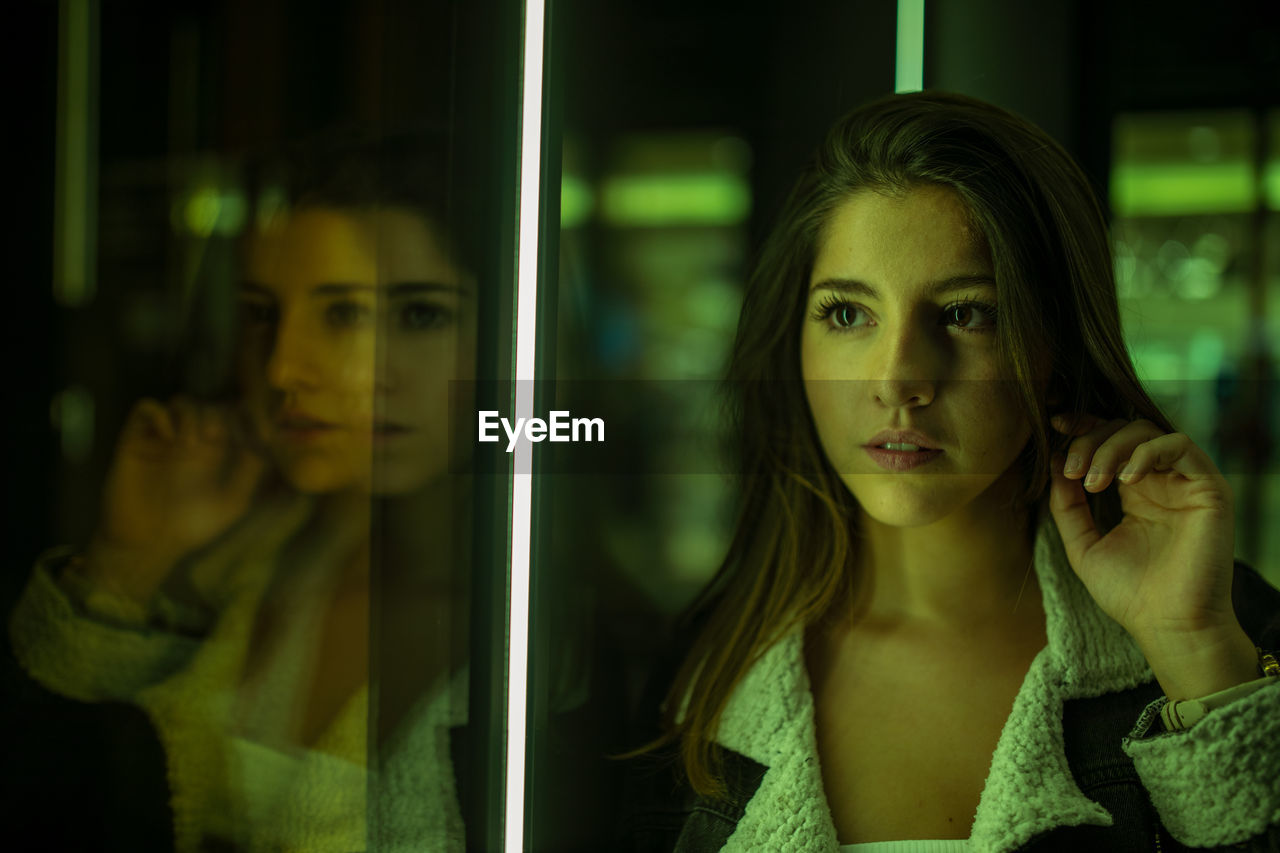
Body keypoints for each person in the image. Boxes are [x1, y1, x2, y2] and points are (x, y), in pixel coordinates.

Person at [619, 91, 1280, 851]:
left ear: (1054, 345)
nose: (897, 377)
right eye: (845, 314)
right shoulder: (701, 670)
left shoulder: (1225, 634)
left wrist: (1195, 647)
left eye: (967, 313)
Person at [6, 130, 477, 851]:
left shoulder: (556, 640)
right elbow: (51, 759)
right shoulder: (257, 552)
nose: (286, 367)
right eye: (264, 313)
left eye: (405, 313)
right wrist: (130, 560)